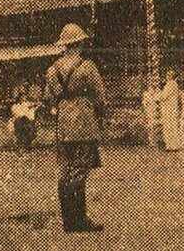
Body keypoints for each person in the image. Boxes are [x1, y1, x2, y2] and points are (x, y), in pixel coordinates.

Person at [45, 23, 105, 233]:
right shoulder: (88, 67)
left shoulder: (52, 70)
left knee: (65, 170)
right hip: (83, 121)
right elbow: (100, 97)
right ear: (79, 44)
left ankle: (68, 221)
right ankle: (79, 219)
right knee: (80, 170)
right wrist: (100, 115)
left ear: (64, 45)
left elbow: (49, 98)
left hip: (63, 123)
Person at [156, 70, 181, 151]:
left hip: (169, 109)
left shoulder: (170, 84)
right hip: (171, 108)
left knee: (169, 126)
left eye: (169, 75)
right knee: (172, 126)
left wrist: (156, 97)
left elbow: (164, 96)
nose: (167, 76)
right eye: (167, 74)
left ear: (171, 76)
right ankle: (172, 145)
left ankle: (171, 146)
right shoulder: (174, 84)